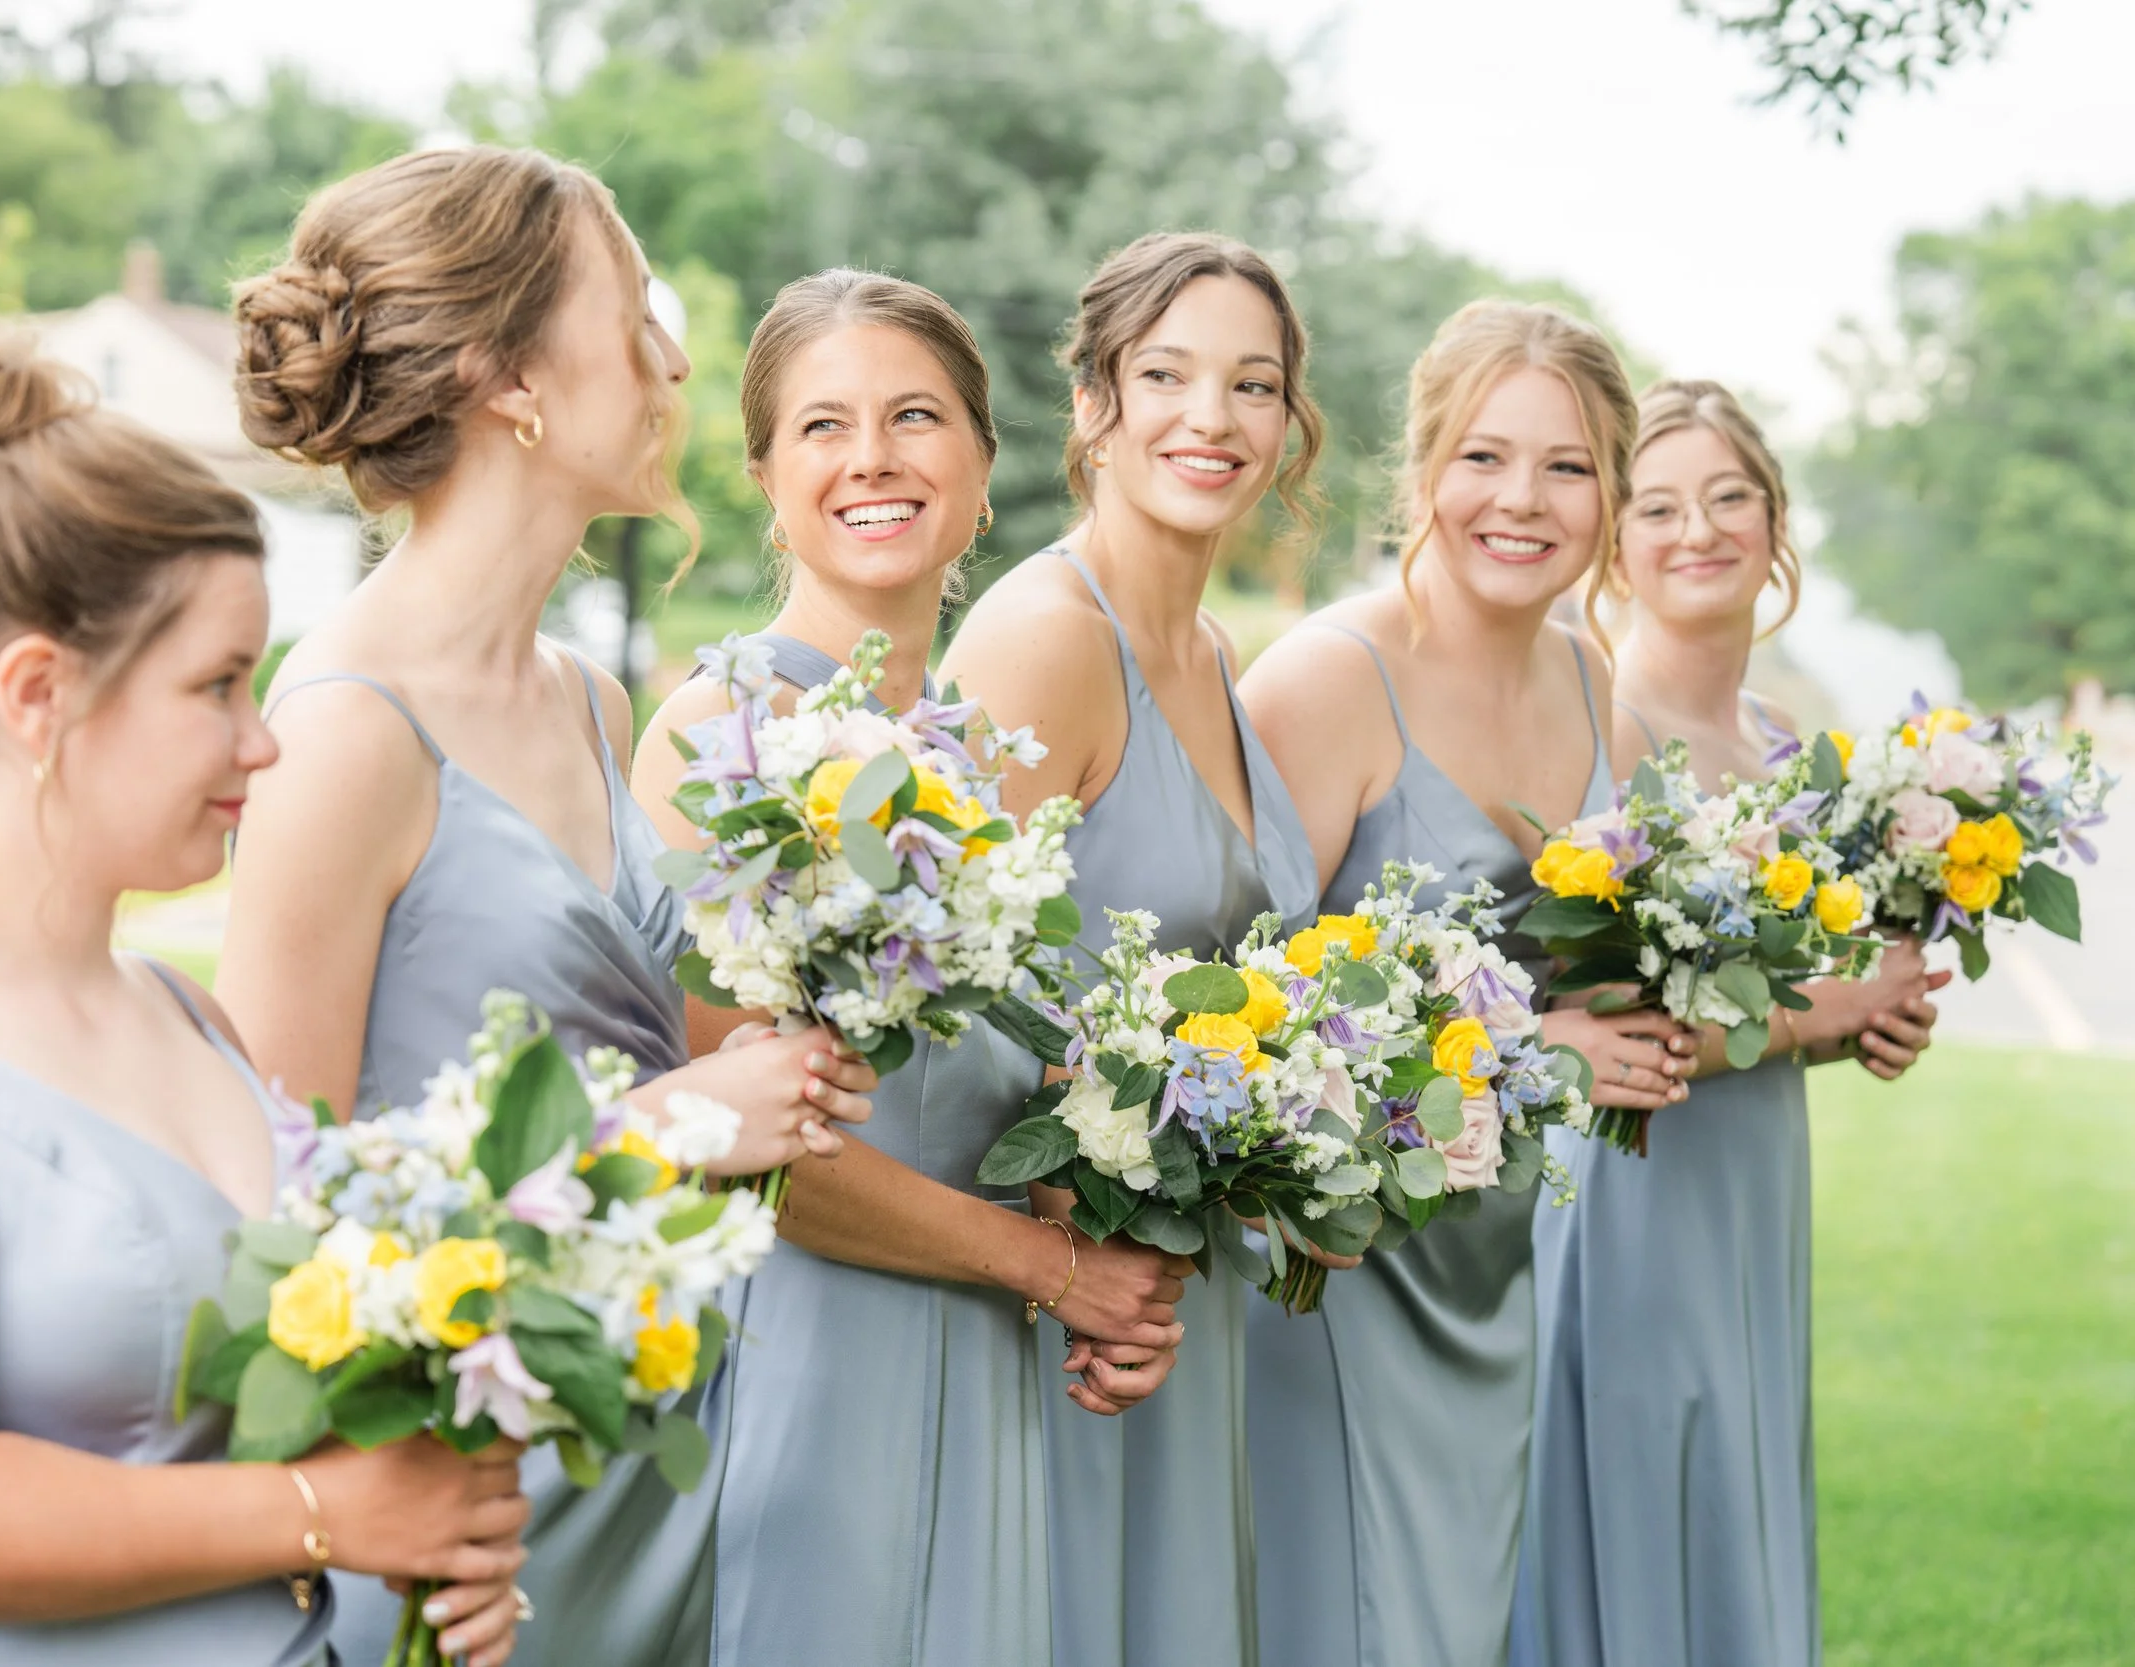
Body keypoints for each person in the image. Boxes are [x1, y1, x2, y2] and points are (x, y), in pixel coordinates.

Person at [0, 313, 531, 1667]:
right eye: (216, 683)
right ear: (37, 693)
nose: (263, 741)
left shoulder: (186, 1016)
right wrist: (329, 1512)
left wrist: (429, 1520)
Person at [214, 147, 875, 1667]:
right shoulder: (343, 732)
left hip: (644, 1439)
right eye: (634, 303)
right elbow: (278, 1212)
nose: (676, 354)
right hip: (469, 1505)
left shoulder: (587, 698)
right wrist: (673, 1127)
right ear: (508, 375)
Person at [635, 269, 1195, 1667]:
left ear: (984, 462)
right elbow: (741, 1135)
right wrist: (1054, 1267)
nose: (873, 458)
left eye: (914, 416)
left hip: (1002, 1374)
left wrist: (1112, 1237)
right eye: (823, 427)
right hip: (807, 1370)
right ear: (766, 476)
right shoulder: (718, 731)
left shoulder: (985, 749)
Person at [1238, 299, 1689, 1667]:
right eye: (1485, 456)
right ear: (1424, 465)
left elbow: (1595, 989)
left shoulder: (1593, 676)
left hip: (1487, 1269)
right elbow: (1242, 1011)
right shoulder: (1329, 679)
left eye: (1567, 466)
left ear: (1611, 490)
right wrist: (1528, 1044)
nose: (1523, 499)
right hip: (1329, 1280)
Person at [937, 232, 1326, 1667]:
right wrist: (1078, 1270)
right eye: (1166, 374)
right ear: (1094, 400)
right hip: (1063, 1309)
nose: (1209, 419)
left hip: (1178, 1287)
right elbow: (950, 1005)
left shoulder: (1217, 656)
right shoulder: (1040, 639)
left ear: (1289, 424)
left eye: (1252, 384)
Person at [1515, 378, 1946, 1667]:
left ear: (1774, 520)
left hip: (1754, 1179)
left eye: (1728, 497)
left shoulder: (1778, 743)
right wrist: (1830, 1013)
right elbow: (1595, 1027)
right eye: (1656, 504)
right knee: (1652, 1474)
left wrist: (1877, 1023)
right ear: (1616, 540)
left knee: (1740, 1466)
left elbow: (1806, 990)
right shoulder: (1597, 730)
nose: (1697, 529)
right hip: (1635, 1183)